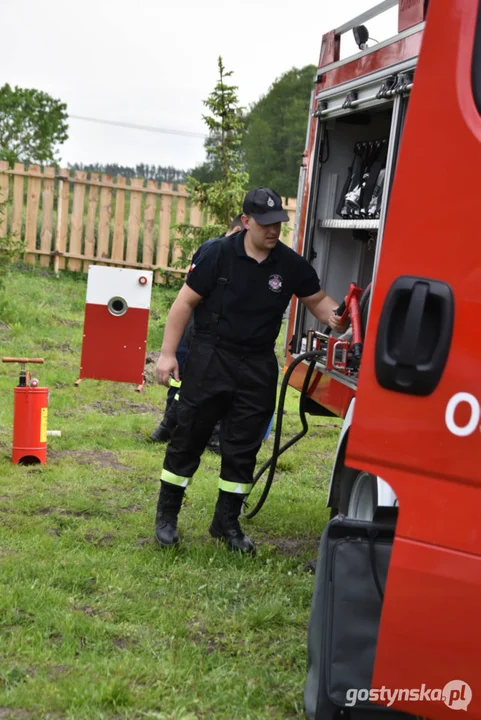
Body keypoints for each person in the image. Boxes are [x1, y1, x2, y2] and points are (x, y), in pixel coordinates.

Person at [153, 187, 346, 555]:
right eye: (266, 224)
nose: (274, 230)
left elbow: (318, 302)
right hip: (212, 356)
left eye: (279, 223)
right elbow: (183, 303)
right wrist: (166, 355)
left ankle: (226, 523)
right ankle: (167, 517)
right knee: (190, 435)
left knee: (243, 445)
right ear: (246, 222)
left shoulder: (289, 264)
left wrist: (340, 318)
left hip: (257, 363)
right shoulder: (218, 255)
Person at [149, 215, 244, 448]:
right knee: (187, 377)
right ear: (241, 227)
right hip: (200, 324)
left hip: (205, 325)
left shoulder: (230, 252)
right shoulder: (214, 249)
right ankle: (181, 428)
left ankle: (170, 427)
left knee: (192, 379)